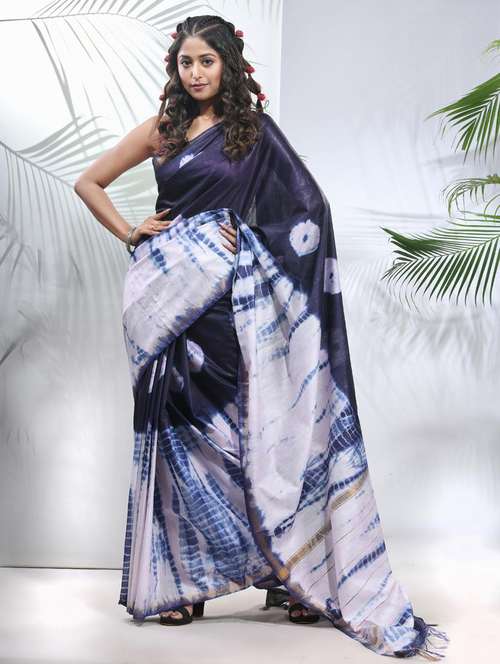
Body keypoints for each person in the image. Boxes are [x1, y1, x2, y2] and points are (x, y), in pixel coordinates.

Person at [74, 14, 449, 660]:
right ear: (175, 68)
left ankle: (287, 572)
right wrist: (132, 231)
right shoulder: (163, 131)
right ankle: (185, 583)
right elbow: (88, 181)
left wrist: (245, 239)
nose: (195, 72)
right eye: (186, 62)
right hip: (169, 307)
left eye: (206, 61)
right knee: (184, 439)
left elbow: (310, 210)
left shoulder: (253, 132)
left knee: (252, 435)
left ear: (228, 65)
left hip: (233, 308)